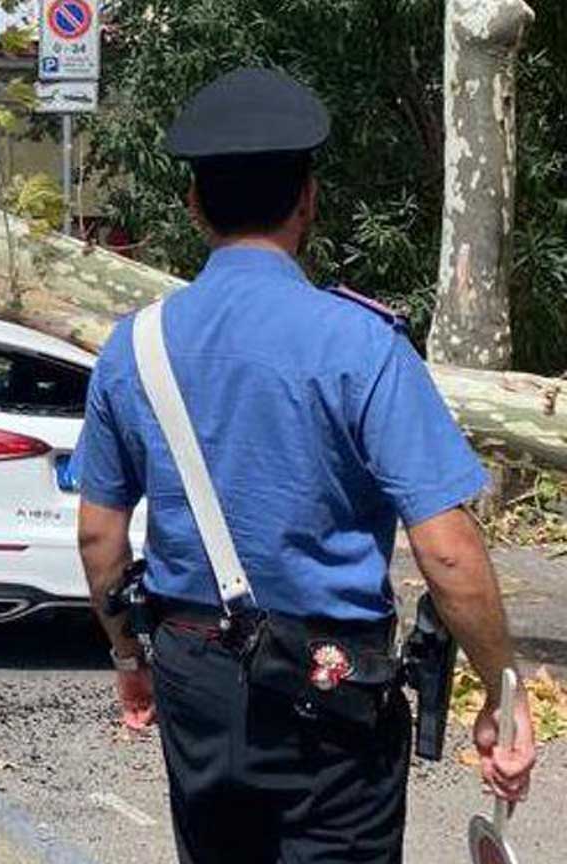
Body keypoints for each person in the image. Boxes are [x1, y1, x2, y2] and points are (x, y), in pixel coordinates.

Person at [76, 67, 536, 864]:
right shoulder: (360, 344)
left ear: (193, 205)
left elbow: (98, 541)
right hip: (332, 688)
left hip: (193, 673)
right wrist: (503, 690)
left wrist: (128, 658)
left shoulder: (135, 345)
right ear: (308, 201)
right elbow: (448, 548)